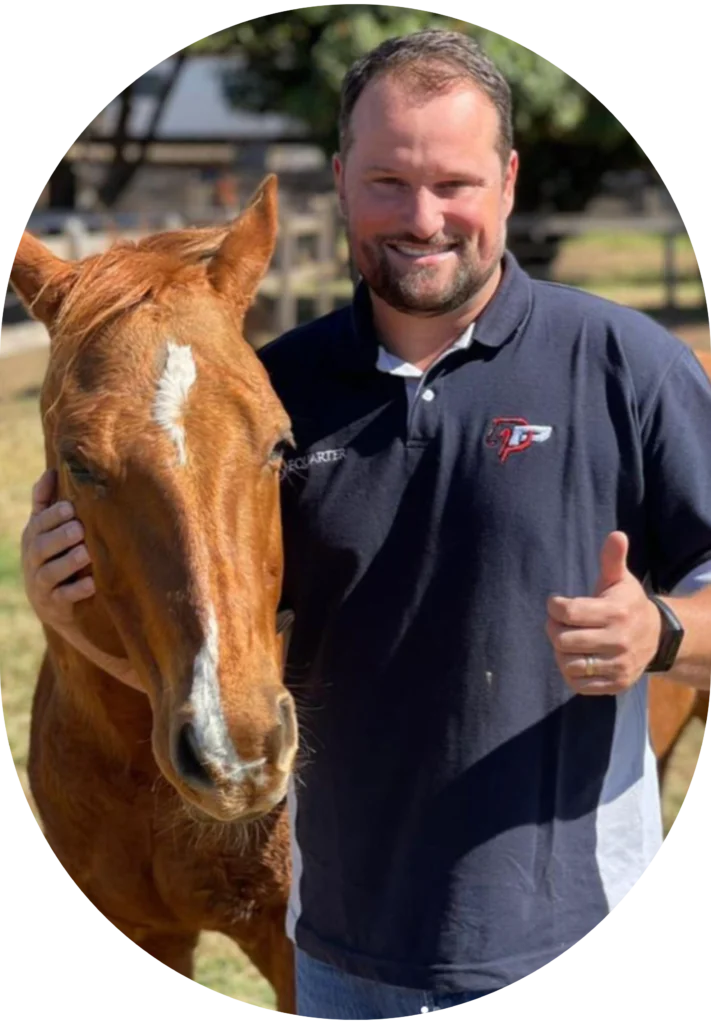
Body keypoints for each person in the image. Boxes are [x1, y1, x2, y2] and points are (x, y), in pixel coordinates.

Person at [20, 28, 711, 1021]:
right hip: (341, 947)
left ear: (509, 181)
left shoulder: (626, 363)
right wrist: (62, 600)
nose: (422, 218)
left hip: (568, 925)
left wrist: (666, 632)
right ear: (340, 180)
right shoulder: (276, 390)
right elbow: (208, 585)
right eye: (388, 180)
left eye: (456, 183)